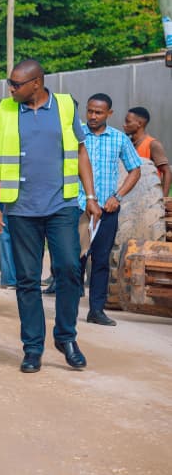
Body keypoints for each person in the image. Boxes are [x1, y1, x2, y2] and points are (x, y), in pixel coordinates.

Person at [0, 59, 102, 374]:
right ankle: (33, 348)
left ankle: (66, 337)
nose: (11, 88)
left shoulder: (64, 107)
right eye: (10, 83)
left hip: (61, 204)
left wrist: (91, 197)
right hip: (20, 208)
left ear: (36, 83)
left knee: (69, 268)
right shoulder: (5, 110)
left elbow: (80, 152)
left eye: (16, 84)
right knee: (27, 279)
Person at [79, 94, 141, 326]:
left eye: (99, 112)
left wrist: (118, 196)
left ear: (109, 113)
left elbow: (135, 170)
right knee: (74, 260)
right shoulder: (77, 135)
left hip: (107, 210)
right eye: (90, 111)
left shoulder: (119, 139)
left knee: (101, 260)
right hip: (78, 207)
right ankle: (67, 309)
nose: (93, 116)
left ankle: (96, 310)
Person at [123, 106, 171, 195]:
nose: (124, 125)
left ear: (139, 123)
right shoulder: (127, 143)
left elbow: (166, 171)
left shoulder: (153, 144)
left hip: (150, 196)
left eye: (128, 122)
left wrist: (164, 198)